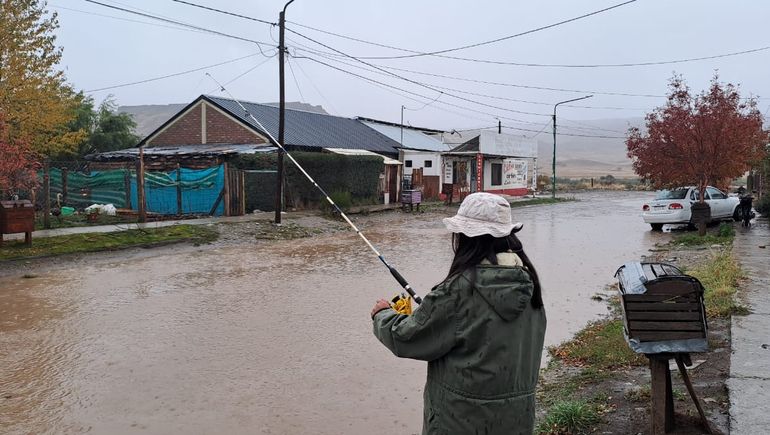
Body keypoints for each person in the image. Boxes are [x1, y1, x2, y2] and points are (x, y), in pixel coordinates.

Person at [370, 192, 547, 435]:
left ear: (465, 238)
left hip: (458, 422)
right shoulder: (530, 285)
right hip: (517, 422)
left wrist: (383, 315)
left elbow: (406, 338)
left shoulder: (457, 291)